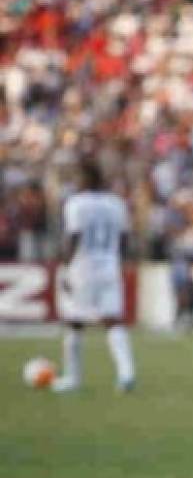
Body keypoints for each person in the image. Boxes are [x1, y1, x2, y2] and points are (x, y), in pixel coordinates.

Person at [53, 160, 136, 393]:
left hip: (83, 267)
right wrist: (119, 261)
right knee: (113, 321)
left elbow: (74, 237)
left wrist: (65, 267)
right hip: (109, 266)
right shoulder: (116, 203)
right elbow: (124, 239)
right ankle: (126, 374)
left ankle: (73, 378)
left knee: (74, 322)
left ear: (84, 179)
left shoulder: (76, 203)